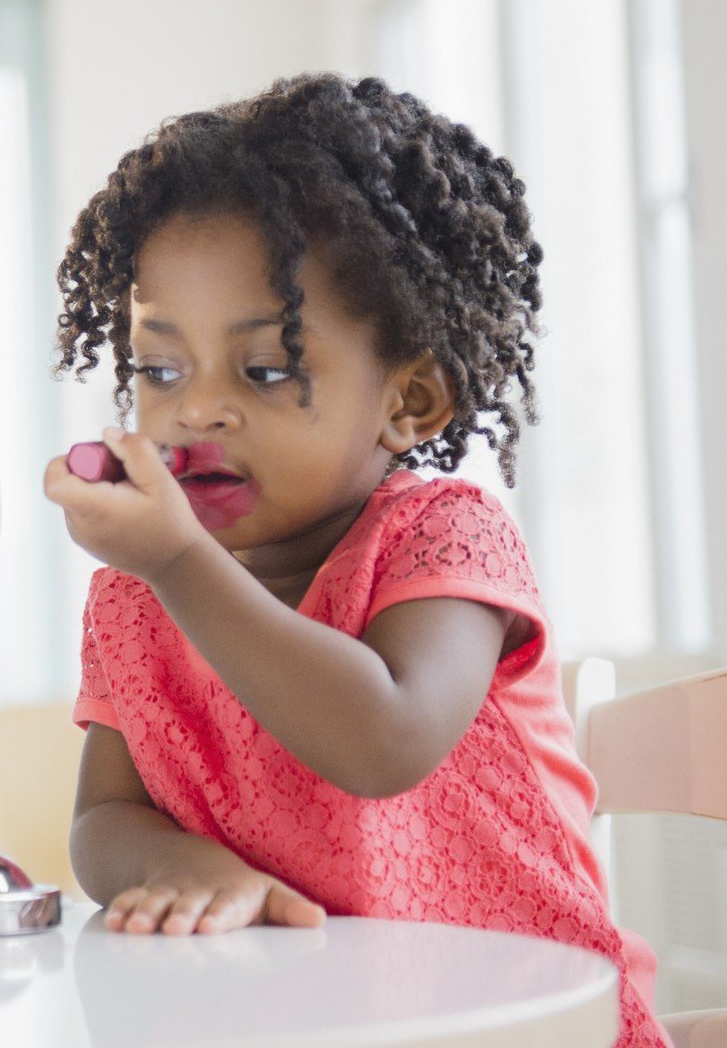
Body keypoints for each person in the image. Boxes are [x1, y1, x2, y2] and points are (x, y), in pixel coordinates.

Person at [42, 74, 664, 1046]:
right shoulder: (137, 597)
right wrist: (181, 865)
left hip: (515, 1023)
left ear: (410, 403)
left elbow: (384, 739)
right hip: (290, 1020)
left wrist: (176, 561)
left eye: (266, 368)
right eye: (160, 369)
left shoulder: (443, 538)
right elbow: (99, 821)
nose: (196, 409)